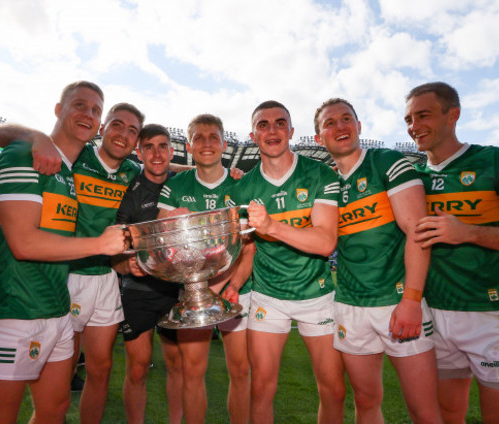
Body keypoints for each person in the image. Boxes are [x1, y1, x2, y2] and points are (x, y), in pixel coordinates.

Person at [0, 81, 128, 424]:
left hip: (58, 309)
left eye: (95, 110)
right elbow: (24, 244)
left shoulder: (70, 173)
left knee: (55, 410)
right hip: (12, 310)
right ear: (59, 109)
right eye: (79, 105)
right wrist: (103, 245)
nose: (88, 114)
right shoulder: (23, 153)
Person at [405, 82, 499, 423]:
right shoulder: (413, 178)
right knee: (445, 415)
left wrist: (467, 232)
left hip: (492, 312)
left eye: (423, 115)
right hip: (435, 313)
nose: (414, 127)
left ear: (453, 115)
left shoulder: (495, 160)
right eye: (409, 120)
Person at [314, 98, 442, 423]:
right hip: (350, 305)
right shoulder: (326, 186)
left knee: (423, 410)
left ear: (358, 126)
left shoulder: (386, 161)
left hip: (398, 302)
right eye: (330, 123)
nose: (340, 127)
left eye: (346, 119)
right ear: (318, 138)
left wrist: (412, 300)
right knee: (366, 402)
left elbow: (417, 230)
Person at [231, 101, 345, 424]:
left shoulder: (319, 173)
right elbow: (248, 249)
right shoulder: (243, 187)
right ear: (253, 135)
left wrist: (272, 227)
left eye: (280, 123)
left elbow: (325, 242)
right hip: (269, 297)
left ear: (291, 132)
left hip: (317, 294)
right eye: (263, 125)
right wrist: (234, 285)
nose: (272, 130)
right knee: (262, 390)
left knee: (333, 389)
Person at [156, 114, 254, 424]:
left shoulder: (243, 184)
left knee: (240, 369)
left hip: (237, 288)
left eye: (214, 137)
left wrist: (233, 284)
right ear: (189, 145)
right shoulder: (176, 187)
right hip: (193, 292)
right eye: (199, 137)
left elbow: (250, 245)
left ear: (224, 144)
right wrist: (171, 225)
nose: (207, 142)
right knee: (192, 371)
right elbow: (162, 243)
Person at [111, 124, 184, 424]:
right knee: (138, 367)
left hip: (177, 291)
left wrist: (232, 172)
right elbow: (115, 246)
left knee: (177, 365)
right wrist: (125, 265)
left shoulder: (184, 184)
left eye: (163, 146)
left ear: (171, 150)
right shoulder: (129, 191)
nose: (157, 153)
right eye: (149, 147)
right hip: (138, 291)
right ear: (139, 152)